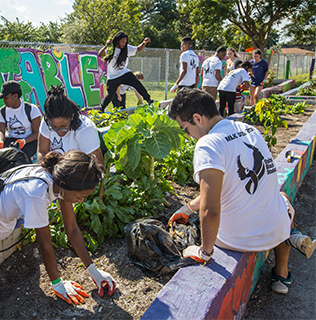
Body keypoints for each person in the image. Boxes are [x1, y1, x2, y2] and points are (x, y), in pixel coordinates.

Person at [167, 88, 316, 294]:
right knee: (281, 198)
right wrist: (188, 208)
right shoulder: (249, 130)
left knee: (273, 202)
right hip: (275, 230)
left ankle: (290, 240)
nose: (189, 136)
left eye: (185, 129)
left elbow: (210, 209)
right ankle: (282, 273)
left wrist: (205, 252)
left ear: (197, 118)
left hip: (236, 240)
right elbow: (236, 186)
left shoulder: (207, 145)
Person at [0, 150, 116, 303]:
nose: (81, 201)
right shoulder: (37, 193)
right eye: (79, 196)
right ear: (64, 184)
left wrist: (93, 270)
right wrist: (58, 284)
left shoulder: (60, 176)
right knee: (35, 212)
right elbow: (45, 244)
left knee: (35, 211)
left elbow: (72, 229)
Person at [37, 85, 103, 168]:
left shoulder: (85, 130)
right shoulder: (46, 122)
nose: (59, 131)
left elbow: (98, 165)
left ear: (72, 117)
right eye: (54, 127)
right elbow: (42, 152)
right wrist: (44, 169)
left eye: (63, 126)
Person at [98, 31, 153, 111]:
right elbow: (100, 54)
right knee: (110, 95)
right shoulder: (111, 49)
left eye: (125, 42)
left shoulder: (127, 48)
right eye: (122, 42)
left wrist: (144, 42)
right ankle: (101, 109)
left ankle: (149, 100)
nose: (124, 44)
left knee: (137, 84)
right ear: (117, 40)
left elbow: (138, 49)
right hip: (113, 76)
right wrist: (106, 45)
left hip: (124, 73)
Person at [0, 81, 42, 159]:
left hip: (29, 141)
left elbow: (37, 133)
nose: (4, 101)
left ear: (15, 96)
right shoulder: (1, 111)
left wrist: (23, 141)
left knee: (21, 157)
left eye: (6, 98)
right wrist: (0, 141)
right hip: (11, 140)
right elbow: (0, 130)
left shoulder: (31, 109)